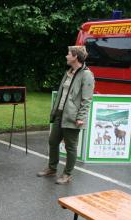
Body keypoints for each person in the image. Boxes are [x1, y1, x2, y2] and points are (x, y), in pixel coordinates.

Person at [37, 46, 94, 184]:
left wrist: (81, 117)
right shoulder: (69, 72)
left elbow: (87, 99)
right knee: (53, 141)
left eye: (68, 54)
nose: (66, 56)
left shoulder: (87, 75)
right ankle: (52, 168)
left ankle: (67, 174)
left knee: (70, 147)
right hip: (60, 114)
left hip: (73, 117)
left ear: (75, 56)